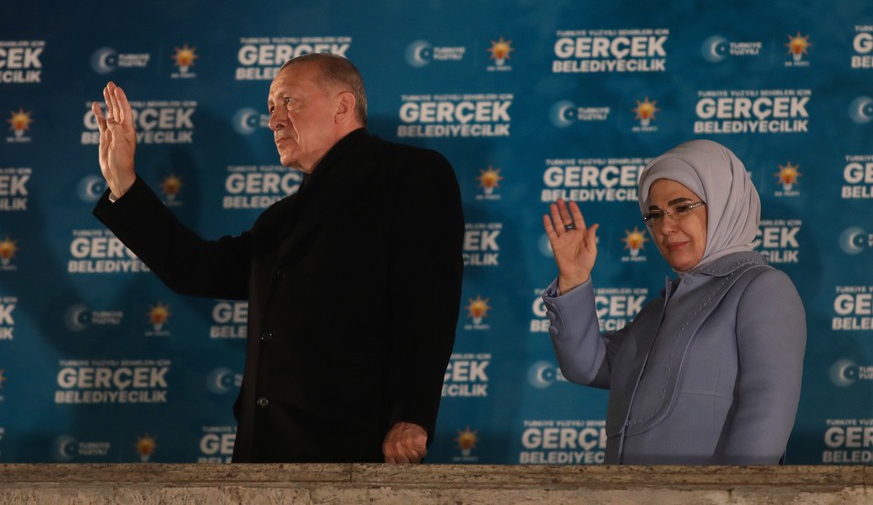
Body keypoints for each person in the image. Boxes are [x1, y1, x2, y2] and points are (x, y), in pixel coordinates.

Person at [91, 53, 464, 463]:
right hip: (263, 454)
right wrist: (123, 183)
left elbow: (428, 305)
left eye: (290, 101)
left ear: (343, 106)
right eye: (271, 108)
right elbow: (198, 270)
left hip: (354, 450)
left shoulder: (409, 175)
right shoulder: (281, 218)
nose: (274, 120)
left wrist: (411, 415)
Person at [541, 140, 806, 464]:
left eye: (682, 207)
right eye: (654, 214)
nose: (665, 227)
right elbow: (586, 367)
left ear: (724, 202)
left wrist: (736, 494)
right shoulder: (658, 310)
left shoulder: (761, 288)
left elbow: (769, 406)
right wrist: (574, 279)